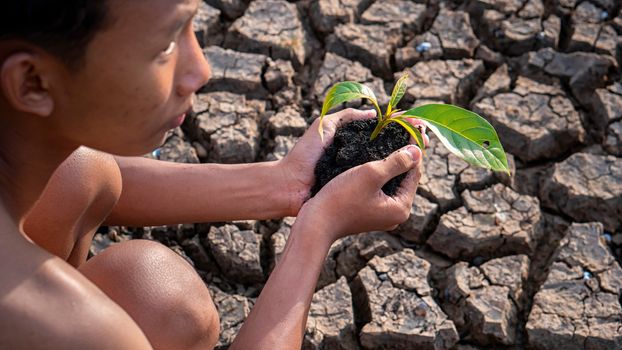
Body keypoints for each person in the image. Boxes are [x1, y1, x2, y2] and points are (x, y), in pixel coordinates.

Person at [0, 0, 426, 349]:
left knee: (87, 181)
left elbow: (104, 176)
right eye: (166, 45)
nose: (200, 70)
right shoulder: (78, 331)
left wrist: (287, 184)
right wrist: (317, 230)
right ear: (33, 82)